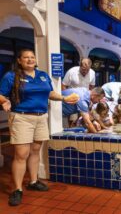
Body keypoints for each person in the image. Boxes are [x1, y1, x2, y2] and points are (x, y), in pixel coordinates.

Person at [0, 49, 78, 206]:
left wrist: (64, 98)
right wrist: (4, 101)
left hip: (41, 117)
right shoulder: (12, 76)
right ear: (19, 61)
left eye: (32, 57)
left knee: (35, 151)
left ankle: (33, 181)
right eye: (26, 57)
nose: (30, 60)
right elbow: (1, 94)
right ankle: (17, 189)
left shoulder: (43, 75)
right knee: (21, 154)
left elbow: (49, 93)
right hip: (21, 117)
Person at [62, 58, 96, 126]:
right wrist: (67, 99)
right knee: (72, 120)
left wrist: (90, 100)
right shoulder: (71, 71)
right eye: (83, 69)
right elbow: (63, 85)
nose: (85, 72)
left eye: (87, 70)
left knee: (85, 119)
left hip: (84, 99)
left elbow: (92, 86)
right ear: (80, 66)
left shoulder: (92, 73)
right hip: (73, 100)